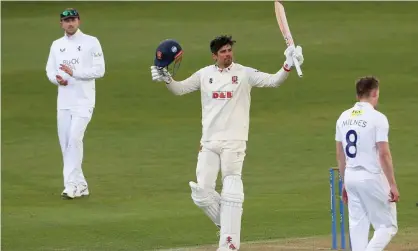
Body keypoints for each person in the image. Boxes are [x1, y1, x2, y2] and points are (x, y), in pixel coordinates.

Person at [150, 36, 304, 250]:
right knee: (202, 192)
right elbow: (180, 89)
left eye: (229, 50)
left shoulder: (244, 73)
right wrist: (166, 78)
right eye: (222, 51)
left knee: (231, 188)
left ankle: (229, 244)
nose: (227, 54)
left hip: (234, 141)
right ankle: (229, 228)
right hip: (209, 142)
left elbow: (274, 81)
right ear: (214, 56)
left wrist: (288, 64)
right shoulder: (204, 75)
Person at [45, 8, 105, 199]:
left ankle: (70, 186)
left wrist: (74, 74)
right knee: (65, 143)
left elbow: (99, 71)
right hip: (63, 101)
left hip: (84, 101)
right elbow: (50, 69)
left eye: (73, 20)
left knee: (74, 139)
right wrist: (57, 79)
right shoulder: (56, 45)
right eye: (66, 20)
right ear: (61, 24)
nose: (70, 23)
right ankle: (81, 184)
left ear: (79, 21)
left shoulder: (91, 42)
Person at [335, 76, 399, 251]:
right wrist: (392, 184)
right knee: (387, 226)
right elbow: (384, 154)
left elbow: (339, 153)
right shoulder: (378, 118)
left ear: (358, 95)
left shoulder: (343, 117)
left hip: (350, 177)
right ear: (374, 93)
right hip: (371, 176)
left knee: (358, 228)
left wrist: (344, 182)